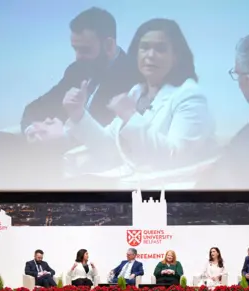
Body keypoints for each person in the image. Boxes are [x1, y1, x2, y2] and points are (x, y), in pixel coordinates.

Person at [63, 18, 215, 173]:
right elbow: (108, 149)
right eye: (144, 48)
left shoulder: (189, 95)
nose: (150, 55)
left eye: (160, 49)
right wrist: (78, 114)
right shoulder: (136, 92)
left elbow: (176, 158)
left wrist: (130, 115)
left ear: (176, 56)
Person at [20, 7, 136, 136]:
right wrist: (33, 130)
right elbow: (37, 107)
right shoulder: (77, 69)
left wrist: (63, 134)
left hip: (88, 152)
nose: (78, 56)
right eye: (75, 49)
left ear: (108, 45)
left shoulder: (132, 76)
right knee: (0, 140)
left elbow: (109, 134)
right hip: (57, 146)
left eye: (85, 50)